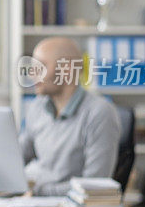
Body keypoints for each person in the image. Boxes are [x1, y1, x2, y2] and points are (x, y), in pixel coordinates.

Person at [19, 36, 121, 196]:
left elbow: (94, 185)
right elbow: (18, 158)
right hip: (33, 199)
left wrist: (38, 192)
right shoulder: (37, 107)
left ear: (66, 69)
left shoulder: (100, 113)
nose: (32, 74)